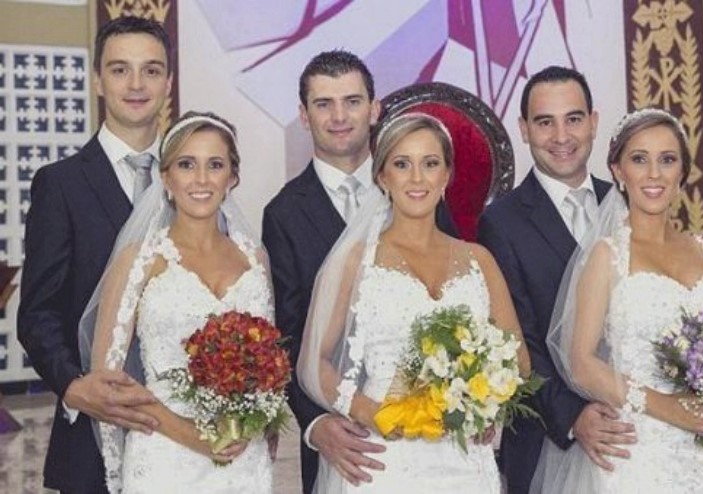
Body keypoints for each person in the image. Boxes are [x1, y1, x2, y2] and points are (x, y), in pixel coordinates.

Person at [298, 112, 531, 493]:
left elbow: (518, 360)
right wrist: (365, 410)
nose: (417, 178)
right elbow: (314, 362)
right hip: (386, 455)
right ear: (382, 177)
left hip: (465, 459)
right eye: (402, 164)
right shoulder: (356, 261)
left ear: (447, 175)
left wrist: (488, 403)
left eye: (430, 163)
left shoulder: (480, 261)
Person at [261, 50, 456, 493]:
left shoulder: (421, 191)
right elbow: (286, 334)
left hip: (434, 429)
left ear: (374, 108)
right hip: (343, 439)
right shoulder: (283, 214)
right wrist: (316, 424)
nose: (339, 116)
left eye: (352, 101)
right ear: (304, 116)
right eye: (323, 104)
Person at [534, 108, 703, 492]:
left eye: (667, 160)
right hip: (638, 450)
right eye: (639, 159)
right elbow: (582, 364)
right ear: (618, 171)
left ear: (683, 172)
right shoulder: (607, 255)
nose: (654, 174)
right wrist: (667, 407)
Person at [82, 111, 277, 492]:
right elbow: (107, 382)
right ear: (166, 177)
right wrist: (192, 434)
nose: (201, 179)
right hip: (164, 452)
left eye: (215, 165)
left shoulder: (255, 260)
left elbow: (269, 364)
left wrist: (252, 422)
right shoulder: (139, 260)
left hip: (242, 456)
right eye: (187, 164)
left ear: (232, 177)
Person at [17, 16, 172, 493]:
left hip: (183, 439)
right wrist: (74, 387)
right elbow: (38, 312)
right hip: (92, 436)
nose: (136, 84)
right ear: (98, 81)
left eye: (151, 70)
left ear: (168, 82)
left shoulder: (195, 181)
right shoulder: (60, 184)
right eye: (120, 69)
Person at [477, 66, 634, 494]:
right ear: (524, 129)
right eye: (545, 122)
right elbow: (517, 341)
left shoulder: (629, 203)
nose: (561, 136)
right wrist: (574, 416)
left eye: (574, 119)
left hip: (637, 426)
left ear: (594, 122)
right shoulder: (500, 222)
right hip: (552, 438)